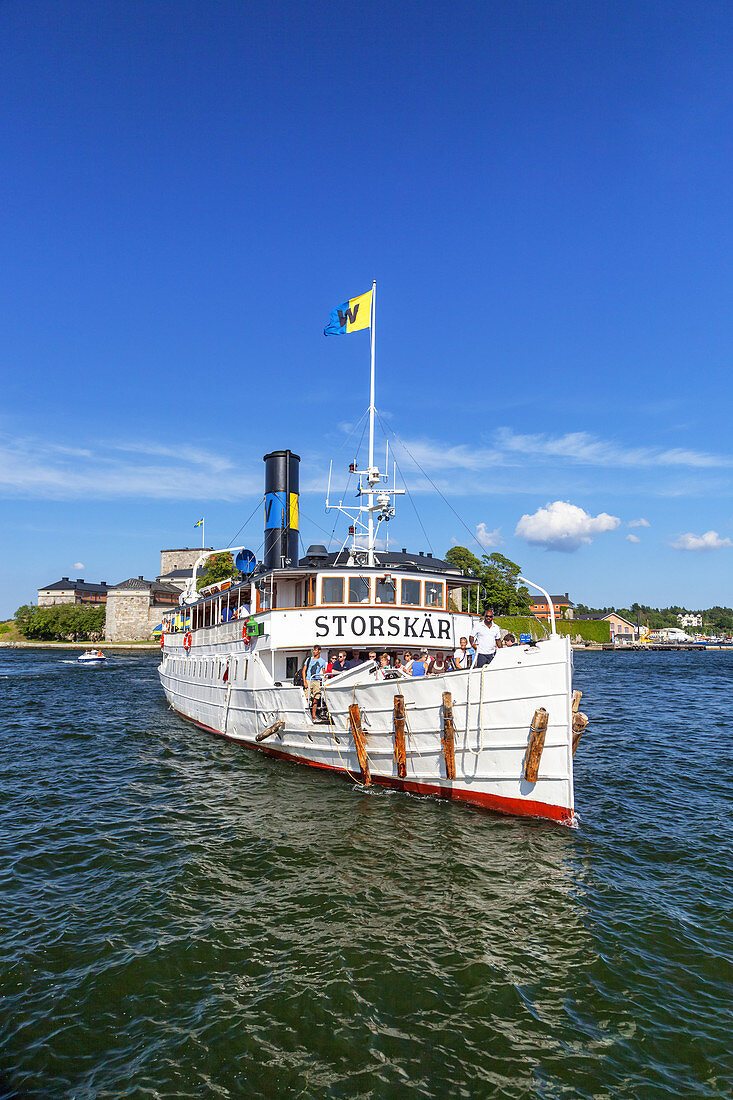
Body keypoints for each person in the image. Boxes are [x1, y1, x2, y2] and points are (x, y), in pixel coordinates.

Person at [303, 645, 328, 721]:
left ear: (319, 651)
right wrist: (305, 681)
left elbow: (324, 673)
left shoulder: (322, 661)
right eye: (313, 650)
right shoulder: (309, 659)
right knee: (306, 698)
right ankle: (305, 714)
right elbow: (304, 670)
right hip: (308, 680)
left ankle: (313, 715)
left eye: (316, 650)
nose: (314, 652)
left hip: (316, 681)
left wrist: (323, 679)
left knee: (316, 698)